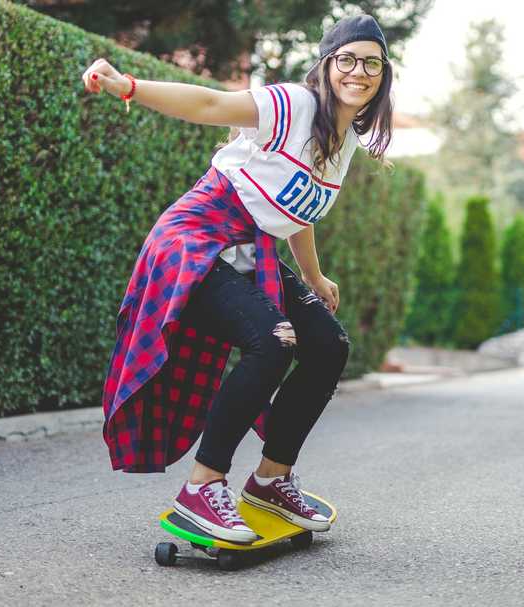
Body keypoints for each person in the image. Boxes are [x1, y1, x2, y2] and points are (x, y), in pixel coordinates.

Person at [84, 14, 394, 543]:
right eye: (347, 59)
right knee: (273, 343)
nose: (358, 71)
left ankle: (271, 480)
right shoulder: (294, 104)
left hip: (251, 249)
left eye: (371, 63)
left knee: (327, 344)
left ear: (383, 75)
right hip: (196, 239)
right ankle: (202, 487)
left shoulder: (343, 143)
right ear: (327, 65)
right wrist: (128, 85)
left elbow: (298, 215)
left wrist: (314, 277)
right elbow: (208, 104)